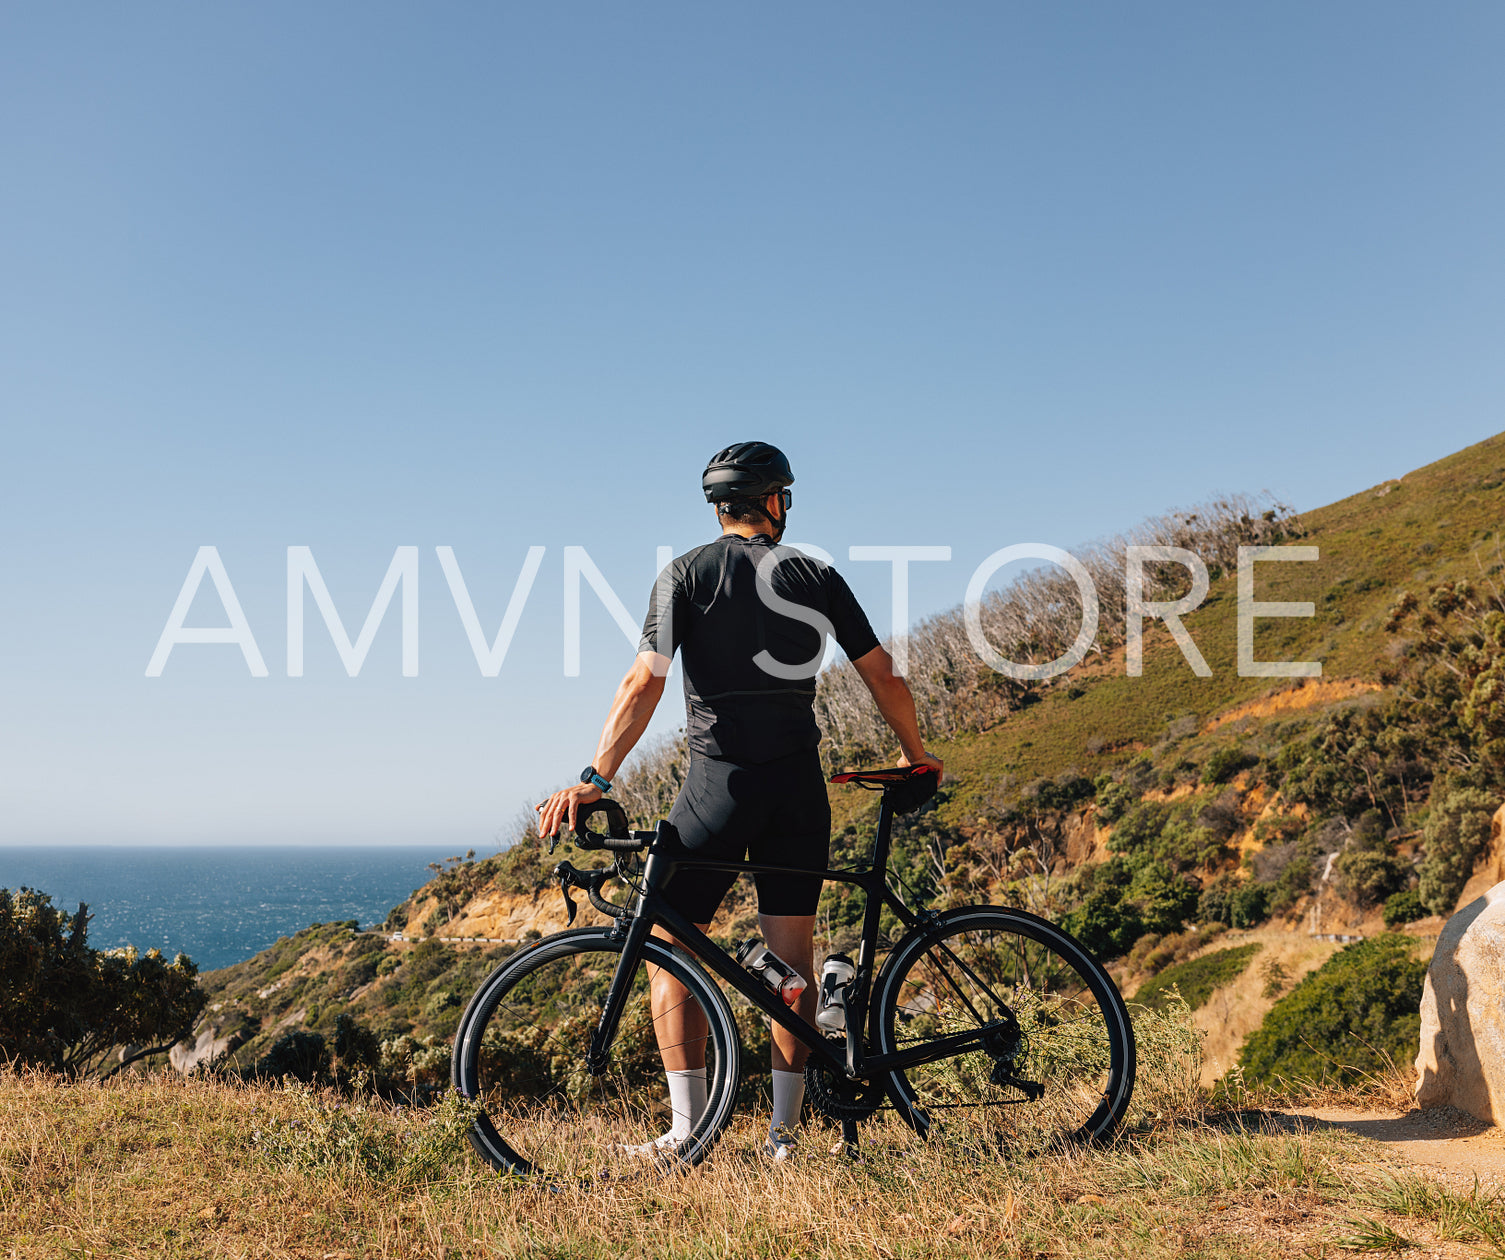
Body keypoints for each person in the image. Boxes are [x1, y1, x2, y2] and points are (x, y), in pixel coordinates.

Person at [536, 441, 942, 1160]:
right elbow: (883, 676)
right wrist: (916, 756)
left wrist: (596, 777)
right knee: (793, 957)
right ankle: (783, 1135)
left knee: (671, 952)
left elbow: (643, 684)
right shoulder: (815, 574)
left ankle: (686, 1129)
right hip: (796, 790)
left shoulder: (684, 574)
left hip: (716, 790)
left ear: (721, 506)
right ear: (773, 502)